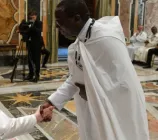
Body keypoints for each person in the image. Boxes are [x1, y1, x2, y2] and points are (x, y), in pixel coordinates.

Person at [41, 0, 149, 140]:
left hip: (118, 111)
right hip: (93, 109)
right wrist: (52, 102)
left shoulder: (107, 39)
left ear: (76, 18)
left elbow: (123, 84)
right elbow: (75, 79)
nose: (56, 26)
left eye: (60, 21)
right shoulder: (78, 44)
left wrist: (91, 91)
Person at [25, 11, 42, 82]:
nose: (32, 17)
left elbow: (38, 31)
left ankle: (37, 76)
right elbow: (27, 32)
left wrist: (32, 27)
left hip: (37, 45)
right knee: (30, 60)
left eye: (33, 16)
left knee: (36, 60)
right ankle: (30, 74)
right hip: (30, 44)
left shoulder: (39, 23)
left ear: (36, 16)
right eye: (31, 16)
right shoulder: (29, 23)